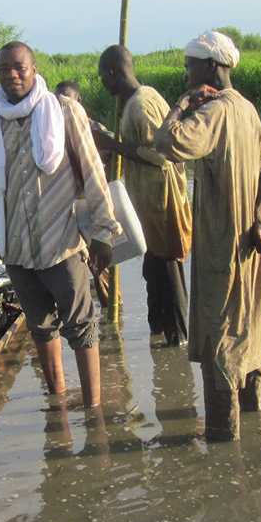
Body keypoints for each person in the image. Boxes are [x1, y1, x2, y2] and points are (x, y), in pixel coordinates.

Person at [0, 42, 120, 408]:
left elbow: (92, 170)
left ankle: (93, 412)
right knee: (40, 328)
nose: (12, 74)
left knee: (82, 328)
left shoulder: (62, 110)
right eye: (4, 68)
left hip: (62, 242)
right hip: (17, 249)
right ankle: (58, 411)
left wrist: (103, 232)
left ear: (34, 69)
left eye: (19, 67)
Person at [153, 31, 261, 441]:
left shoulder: (213, 113)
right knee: (251, 333)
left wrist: (181, 105)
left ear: (210, 66)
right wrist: (259, 218)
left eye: (190, 65)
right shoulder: (247, 110)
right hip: (251, 248)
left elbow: (166, 141)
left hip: (220, 250)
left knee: (220, 339)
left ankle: (224, 446)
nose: (187, 73)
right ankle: (254, 431)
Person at [92, 44, 193, 346]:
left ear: (113, 72)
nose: (103, 84)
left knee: (167, 272)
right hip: (146, 205)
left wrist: (114, 146)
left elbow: (159, 155)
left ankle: (178, 339)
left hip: (159, 203)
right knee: (153, 269)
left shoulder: (140, 104)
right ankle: (159, 333)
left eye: (102, 77)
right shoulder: (137, 100)